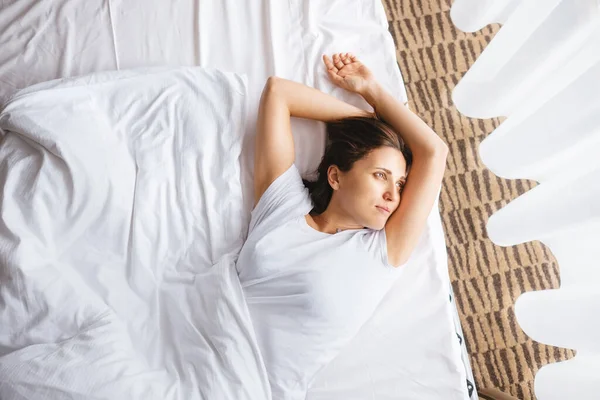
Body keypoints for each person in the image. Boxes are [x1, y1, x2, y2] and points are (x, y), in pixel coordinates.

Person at [235, 53, 448, 399]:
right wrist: (367, 123)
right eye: (381, 176)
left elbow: (434, 152)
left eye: (400, 183)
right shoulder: (284, 205)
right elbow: (278, 93)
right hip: (199, 337)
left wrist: (374, 92)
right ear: (335, 176)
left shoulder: (382, 251)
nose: (392, 195)